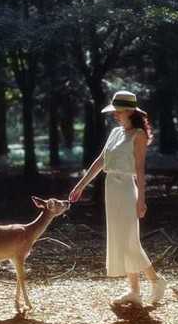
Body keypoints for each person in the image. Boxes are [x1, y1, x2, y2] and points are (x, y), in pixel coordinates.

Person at [69, 90, 167, 305]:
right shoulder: (115, 133)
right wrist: (80, 186)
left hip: (126, 190)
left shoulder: (138, 135)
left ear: (130, 111)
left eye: (118, 111)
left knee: (130, 241)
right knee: (121, 240)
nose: (115, 115)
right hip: (111, 188)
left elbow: (140, 170)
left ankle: (155, 280)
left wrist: (142, 199)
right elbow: (100, 161)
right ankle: (134, 291)